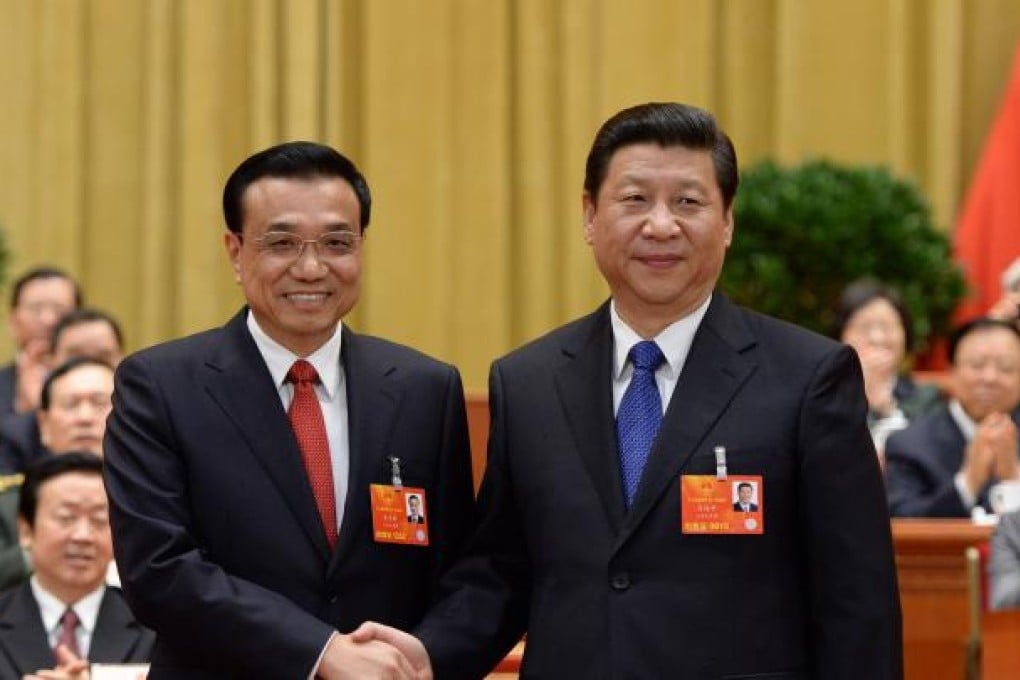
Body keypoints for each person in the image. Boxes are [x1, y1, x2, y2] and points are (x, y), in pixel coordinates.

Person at [357, 102, 902, 678]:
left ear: (728, 222)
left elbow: (857, 605)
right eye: (635, 199)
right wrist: (427, 653)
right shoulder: (528, 382)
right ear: (590, 215)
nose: (661, 225)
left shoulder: (808, 377)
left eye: (688, 202)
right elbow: (502, 572)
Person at [102, 141, 475, 678]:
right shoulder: (160, 386)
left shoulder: (425, 389)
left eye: (337, 242)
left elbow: (456, 568)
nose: (311, 266)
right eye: (281, 243)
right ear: (235, 251)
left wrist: (424, 654)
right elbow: (158, 570)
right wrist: (320, 652)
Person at [0, 452, 153, 677]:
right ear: (25, 530)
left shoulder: (156, 629)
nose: (83, 535)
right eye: (66, 517)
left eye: (100, 519)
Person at [0, 357, 117, 590]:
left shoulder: (162, 499)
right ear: (43, 424)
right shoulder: (6, 504)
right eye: (70, 404)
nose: (85, 418)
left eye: (99, 403)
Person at [886, 317, 1020, 517]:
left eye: (1006, 368)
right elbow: (901, 520)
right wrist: (967, 484)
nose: (990, 378)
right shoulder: (909, 445)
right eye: (977, 365)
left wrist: (1013, 481)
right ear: (952, 372)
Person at [832, 279, 943, 455]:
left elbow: (931, 460)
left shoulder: (927, 398)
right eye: (864, 327)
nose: (877, 338)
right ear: (840, 335)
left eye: (887, 326)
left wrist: (887, 410)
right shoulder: (826, 396)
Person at [0, 267, 81, 416]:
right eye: (35, 309)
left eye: (59, 310)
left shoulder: (101, 382)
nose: (48, 320)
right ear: (13, 321)